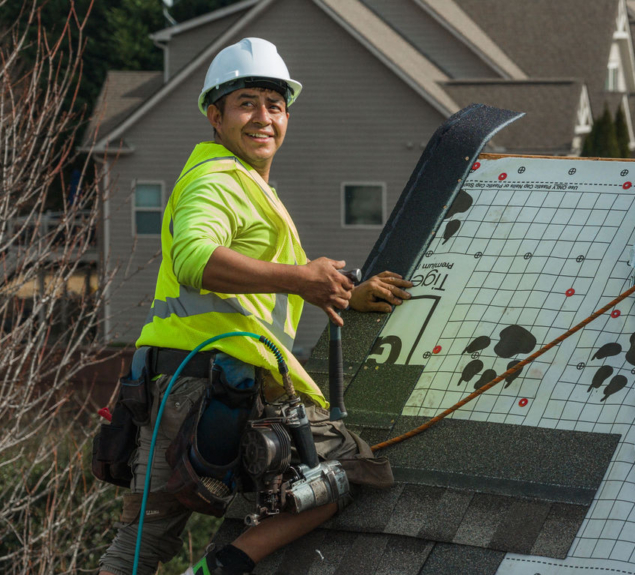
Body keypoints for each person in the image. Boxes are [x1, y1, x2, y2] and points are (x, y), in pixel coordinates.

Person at [98, 37, 412, 575]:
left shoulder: (243, 183)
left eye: (275, 105)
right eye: (247, 103)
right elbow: (197, 258)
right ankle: (229, 564)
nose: (263, 117)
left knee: (137, 550)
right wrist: (302, 278)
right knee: (349, 470)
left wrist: (339, 292)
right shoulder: (215, 180)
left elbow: (262, 288)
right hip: (211, 391)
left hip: (168, 389)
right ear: (215, 117)